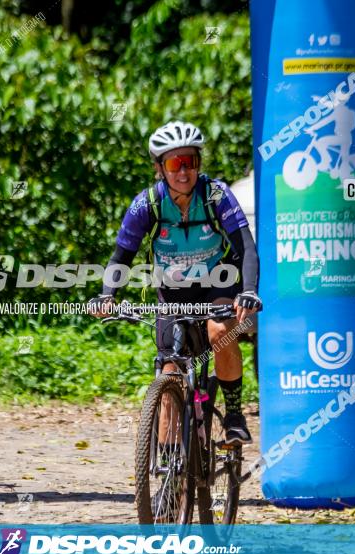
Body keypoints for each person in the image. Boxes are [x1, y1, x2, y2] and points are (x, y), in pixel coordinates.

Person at [90, 121, 261, 445]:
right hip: (172, 290)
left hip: (217, 282)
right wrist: (106, 295)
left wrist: (249, 290)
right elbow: (120, 258)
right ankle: (169, 467)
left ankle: (235, 415)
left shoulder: (215, 195)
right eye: (174, 164)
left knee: (221, 332)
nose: (184, 172)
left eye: (191, 162)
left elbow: (247, 248)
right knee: (170, 371)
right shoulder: (147, 205)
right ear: (160, 168)